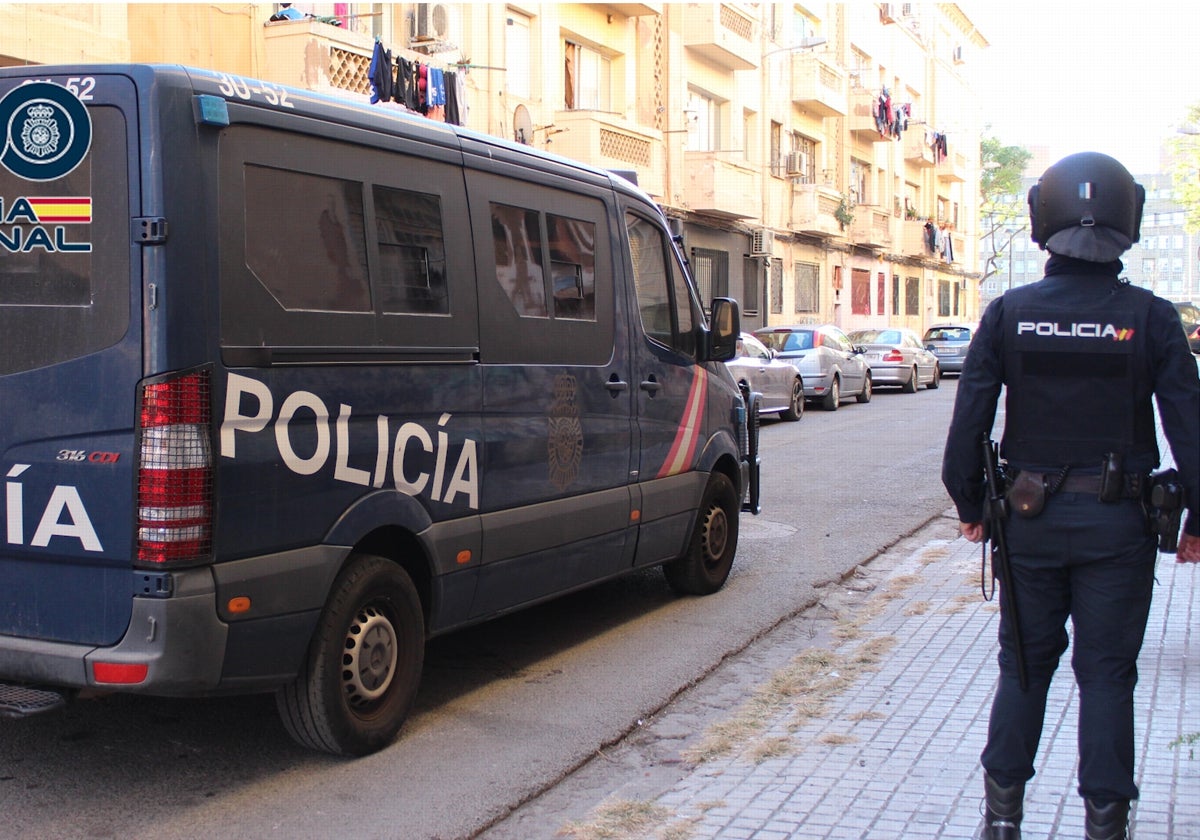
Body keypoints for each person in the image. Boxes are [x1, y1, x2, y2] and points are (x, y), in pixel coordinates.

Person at [941, 151, 1200, 840]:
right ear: (1130, 222)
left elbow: (968, 424)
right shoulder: (1152, 319)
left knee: (1023, 668)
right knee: (1108, 676)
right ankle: (1105, 827)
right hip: (1119, 527)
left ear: (1039, 221)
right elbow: (1190, 429)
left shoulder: (1009, 313)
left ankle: (1001, 823)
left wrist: (971, 506)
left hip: (1027, 524)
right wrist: (1198, 518)